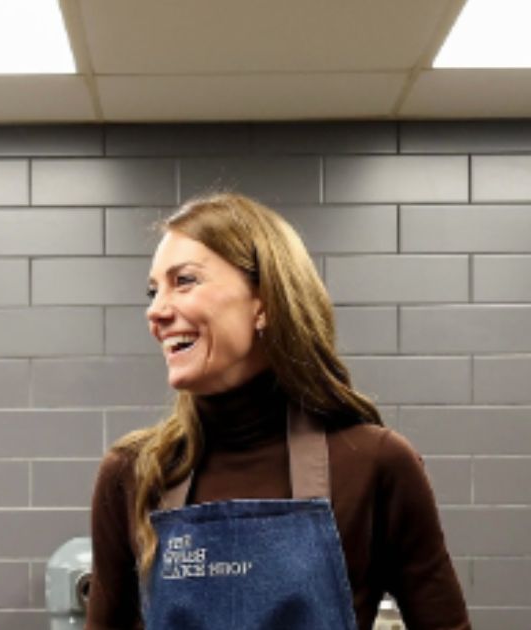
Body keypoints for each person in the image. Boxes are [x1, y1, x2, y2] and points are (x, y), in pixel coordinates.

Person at [86, 193, 470, 630]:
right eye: (154, 291)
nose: (156, 311)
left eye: (185, 281)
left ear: (264, 302)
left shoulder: (375, 464)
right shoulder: (133, 474)